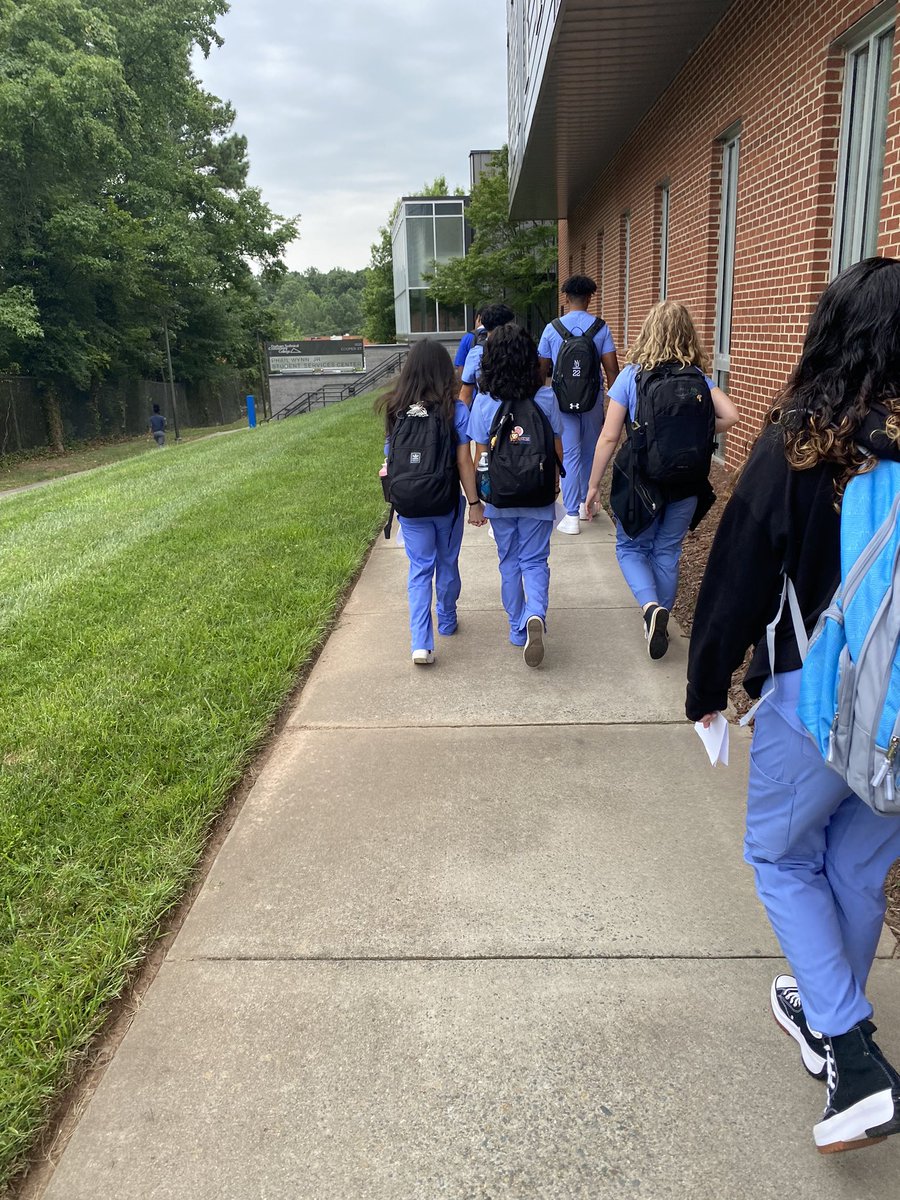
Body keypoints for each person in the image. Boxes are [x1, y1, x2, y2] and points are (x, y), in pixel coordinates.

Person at [686, 256, 900, 1154]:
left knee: (777, 856)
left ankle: (851, 1057)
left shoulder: (799, 445)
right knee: (854, 871)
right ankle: (829, 1010)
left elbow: (737, 580)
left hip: (816, 701)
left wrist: (705, 692)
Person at [584, 300, 738, 659]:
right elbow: (730, 416)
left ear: (648, 331)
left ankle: (650, 607)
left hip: (642, 481)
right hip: (686, 482)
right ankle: (660, 621)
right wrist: (696, 430)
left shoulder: (632, 376)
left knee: (630, 547)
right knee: (667, 549)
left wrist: (592, 486)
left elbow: (608, 437)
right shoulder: (697, 378)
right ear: (688, 335)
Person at [377, 340, 486, 666]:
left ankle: (421, 643)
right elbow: (464, 461)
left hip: (410, 504)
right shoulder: (455, 410)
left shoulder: (395, 409)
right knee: (447, 563)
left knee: (419, 570)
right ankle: (448, 619)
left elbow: (389, 455)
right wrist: (475, 502)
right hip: (445, 503)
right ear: (443, 372)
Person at [468, 324, 564, 666]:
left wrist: (477, 500)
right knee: (535, 559)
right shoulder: (546, 397)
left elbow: (481, 455)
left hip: (500, 496)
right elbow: (556, 448)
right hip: (537, 492)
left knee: (508, 560)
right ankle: (535, 612)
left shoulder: (482, 402)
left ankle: (516, 627)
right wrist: (554, 486)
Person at [538, 275, 620, 534]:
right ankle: (587, 506)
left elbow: (541, 372)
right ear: (589, 298)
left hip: (561, 402)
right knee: (590, 451)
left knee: (570, 454)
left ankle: (571, 514)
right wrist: (612, 406)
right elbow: (612, 372)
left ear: (566, 298)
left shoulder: (552, 328)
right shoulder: (600, 328)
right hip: (592, 400)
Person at [459, 303, 514, 408]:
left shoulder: (476, 352)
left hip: (485, 410)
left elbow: (466, 394)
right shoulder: (519, 349)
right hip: (516, 410)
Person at [454, 309, 483, 384]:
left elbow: (461, 365)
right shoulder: (501, 337)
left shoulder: (468, 337)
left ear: (479, 318)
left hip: (472, 390)